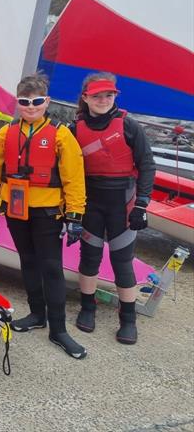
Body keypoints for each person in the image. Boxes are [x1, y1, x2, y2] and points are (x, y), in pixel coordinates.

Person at [0, 73, 88, 359]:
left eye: (37, 102)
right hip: (16, 208)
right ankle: (37, 314)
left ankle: (59, 330)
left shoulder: (61, 134)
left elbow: (74, 178)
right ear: (18, 103)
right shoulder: (6, 133)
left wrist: (75, 216)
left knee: (51, 267)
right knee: (27, 261)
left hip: (47, 210)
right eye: (25, 102)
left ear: (46, 101)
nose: (31, 107)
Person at [69, 72, 154, 345]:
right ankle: (88, 308)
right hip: (90, 203)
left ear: (115, 96)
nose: (103, 100)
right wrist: (69, 210)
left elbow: (147, 166)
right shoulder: (74, 129)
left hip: (124, 204)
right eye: (97, 96)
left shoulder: (130, 126)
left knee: (122, 263)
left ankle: (128, 320)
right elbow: (67, 170)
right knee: (89, 259)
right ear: (86, 98)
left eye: (109, 95)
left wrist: (141, 204)